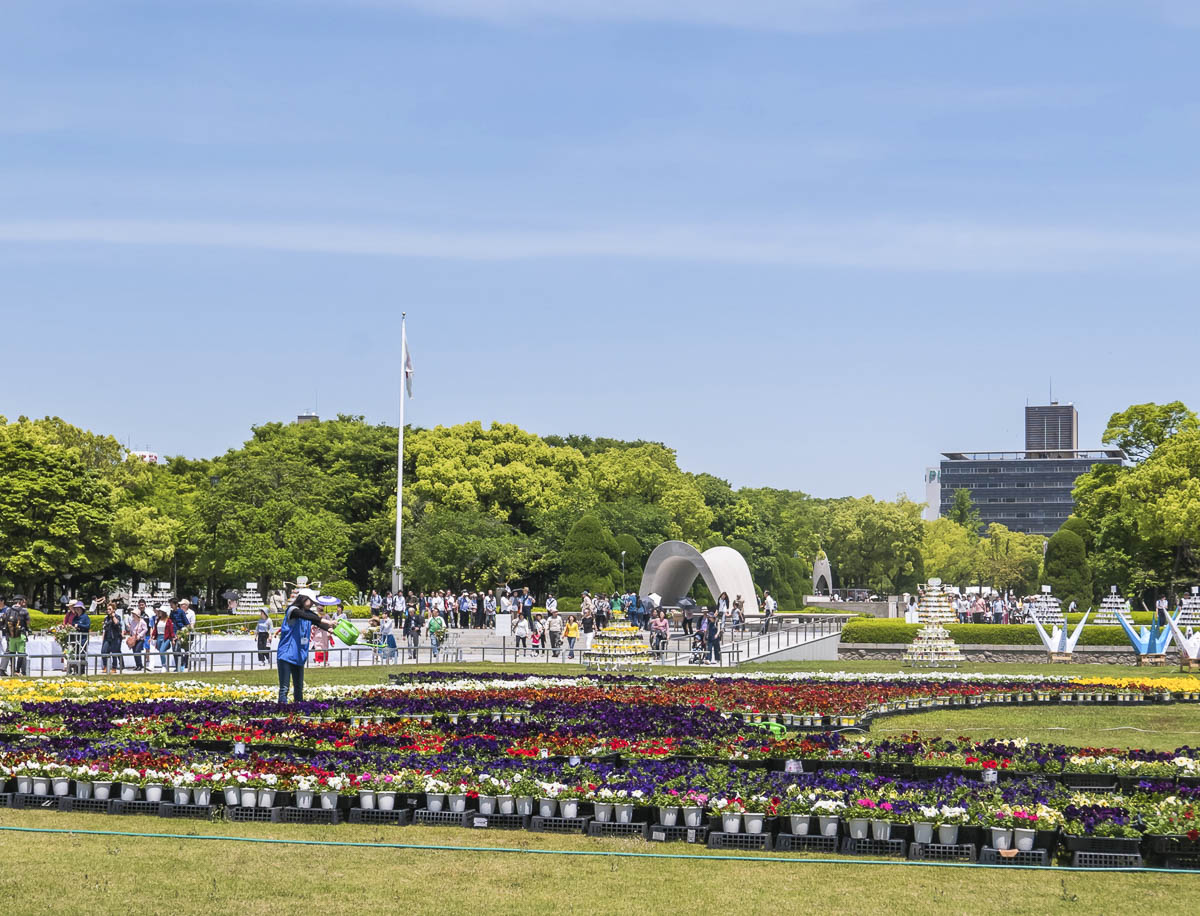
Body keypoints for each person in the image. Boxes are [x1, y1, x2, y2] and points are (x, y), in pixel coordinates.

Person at [276, 589, 334, 704]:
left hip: (299, 656)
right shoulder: (292, 610)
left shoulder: (308, 614)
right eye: (310, 601)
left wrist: (330, 629)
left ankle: (299, 710)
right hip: (286, 655)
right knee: (284, 688)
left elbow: (317, 622)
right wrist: (326, 622)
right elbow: (305, 616)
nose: (312, 604)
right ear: (303, 599)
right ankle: (282, 710)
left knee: (299, 688)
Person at [101, 602, 124, 674]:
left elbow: (117, 624)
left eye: (110, 609)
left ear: (114, 610)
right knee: (104, 651)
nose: (108, 610)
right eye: (107, 609)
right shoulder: (106, 618)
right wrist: (103, 638)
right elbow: (104, 629)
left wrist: (113, 616)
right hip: (107, 637)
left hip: (115, 637)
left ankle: (114, 667)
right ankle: (105, 666)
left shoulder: (117, 617)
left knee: (114, 653)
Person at [125, 605, 148, 672]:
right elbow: (131, 630)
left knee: (137, 650)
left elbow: (145, 629)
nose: (132, 615)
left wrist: (140, 635)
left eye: (134, 614)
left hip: (140, 639)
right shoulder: (132, 621)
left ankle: (140, 665)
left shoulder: (142, 621)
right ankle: (138, 664)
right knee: (134, 651)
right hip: (134, 638)